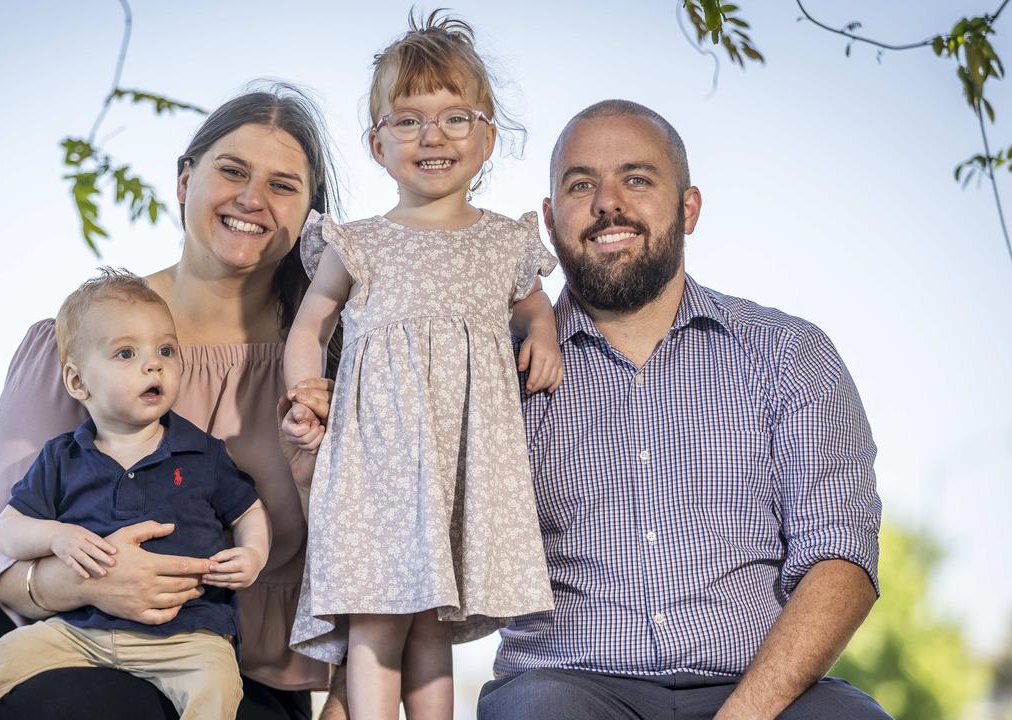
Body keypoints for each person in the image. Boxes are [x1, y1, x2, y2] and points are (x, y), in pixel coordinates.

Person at [0, 86, 342, 720]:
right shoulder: (79, 340)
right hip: (43, 622)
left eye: (283, 185)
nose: (251, 199)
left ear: (310, 214)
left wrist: (348, 699)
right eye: (232, 171)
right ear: (185, 181)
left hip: (227, 663)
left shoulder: (332, 366)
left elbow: (391, 554)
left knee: (56, 709)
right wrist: (79, 581)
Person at [476, 100, 889, 719]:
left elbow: (840, 558)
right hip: (569, 684)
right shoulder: (494, 371)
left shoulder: (787, 354)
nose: (608, 202)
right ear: (548, 219)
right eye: (581, 184)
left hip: (760, 687)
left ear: (688, 208)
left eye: (636, 180)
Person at [281, 11, 558, 719]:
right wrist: (304, 392)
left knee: (434, 619)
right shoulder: (360, 243)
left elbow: (530, 305)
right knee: (377, 612)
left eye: (453, 117)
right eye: (408, 121)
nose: (432, 137)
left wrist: (543, 333)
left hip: (461, 455)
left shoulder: (503, 242)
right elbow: (311, 324)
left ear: (488, 136)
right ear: (378, 145)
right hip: (377, 458)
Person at [0, 269, 270, 720]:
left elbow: (249, 510)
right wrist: (55, 537)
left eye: (165, 350)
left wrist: (253, 554)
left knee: (219, 684)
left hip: (187, 637)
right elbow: (8, 531)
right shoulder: (64, 457)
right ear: (77, 382)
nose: (154, 364)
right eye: (126, 354)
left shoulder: (202, 453)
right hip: (78, 629)